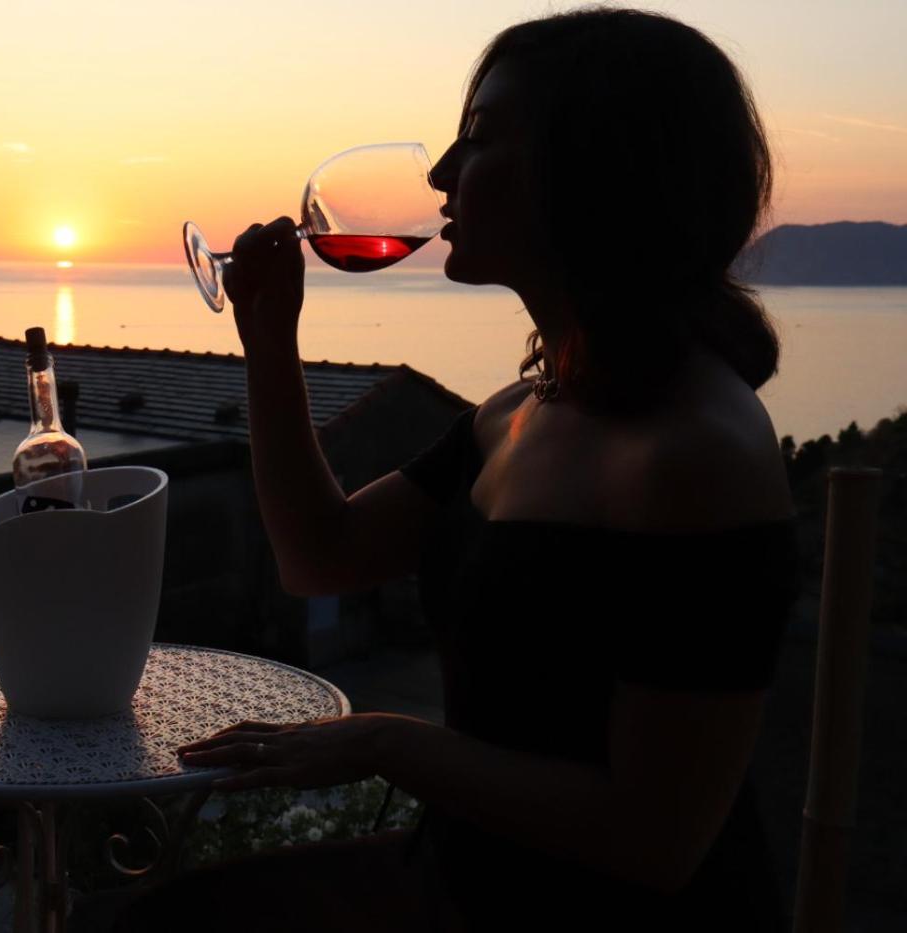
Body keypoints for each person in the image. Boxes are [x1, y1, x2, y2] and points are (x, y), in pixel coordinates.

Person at [97, 8, 801, 932]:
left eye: (480, 137)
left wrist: (384, 743)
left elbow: (653, 838)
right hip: (471, 882)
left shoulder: (696, 458)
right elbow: (322, 553)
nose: (441, 174)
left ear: (592, 171)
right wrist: (269, 345)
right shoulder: (521, 413)